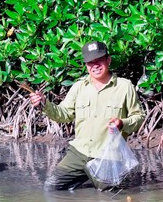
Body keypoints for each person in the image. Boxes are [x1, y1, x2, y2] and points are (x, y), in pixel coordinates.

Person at [30, 41, 145, 190]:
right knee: (51, 188)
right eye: (90, 62)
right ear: (86, 65)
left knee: (109, 197)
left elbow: (139, 116)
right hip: (79, 152)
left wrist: (122, 123)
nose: (95, 65)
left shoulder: (124, 86)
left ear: (108, 60)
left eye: (99, 60)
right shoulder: (79, 87)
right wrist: (44, 103)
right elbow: (64, 114)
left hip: (108, 156)